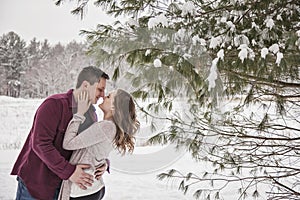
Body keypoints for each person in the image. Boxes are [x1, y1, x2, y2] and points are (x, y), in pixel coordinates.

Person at [11, 66, 110, 200]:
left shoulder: (91, 113)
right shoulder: (53, 105)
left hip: (64, 187)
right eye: (100, 89)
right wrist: (70, 172)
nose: (103, 95)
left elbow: (90, 147)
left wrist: (103, 163)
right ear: (86, 85)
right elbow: (40, 144)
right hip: (37, 185)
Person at [59, 89, 140, 200]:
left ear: (113, 107)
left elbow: (68, 144)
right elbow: (96, 152)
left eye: (108, 97)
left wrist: (79, 114)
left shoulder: (106, 127)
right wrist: (105, 163)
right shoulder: (113, 127)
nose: (103, 97)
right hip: (93, 188)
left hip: (82, 191)